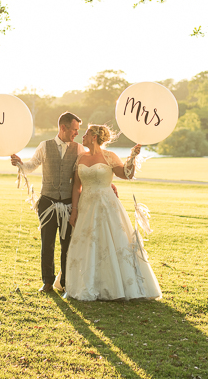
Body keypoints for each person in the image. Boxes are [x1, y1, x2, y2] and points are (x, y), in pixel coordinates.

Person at [65, 124, 162, 301]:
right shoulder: (80, 158)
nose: (83, 137)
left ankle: (116, 285)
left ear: (94, 136)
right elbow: (76, 187)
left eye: (86, 134)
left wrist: (132, 157)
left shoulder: (110, 156)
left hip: (107, 205)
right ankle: (87, 283)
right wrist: (74, 210)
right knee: (88, 244)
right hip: (86, 206)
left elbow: (126, 174)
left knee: (113, 243)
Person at [11, 112, 85, 293]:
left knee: (67, 244)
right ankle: (47, 282)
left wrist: (108, 185)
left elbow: (87, 172)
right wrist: (20, 163)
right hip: (47, 203)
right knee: (47, 244)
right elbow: (31, 166)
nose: (77, 133)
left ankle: (66, 282)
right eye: (74, 129)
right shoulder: (44, 146)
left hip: (69, 204)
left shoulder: (80, 149)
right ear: (63, 127)